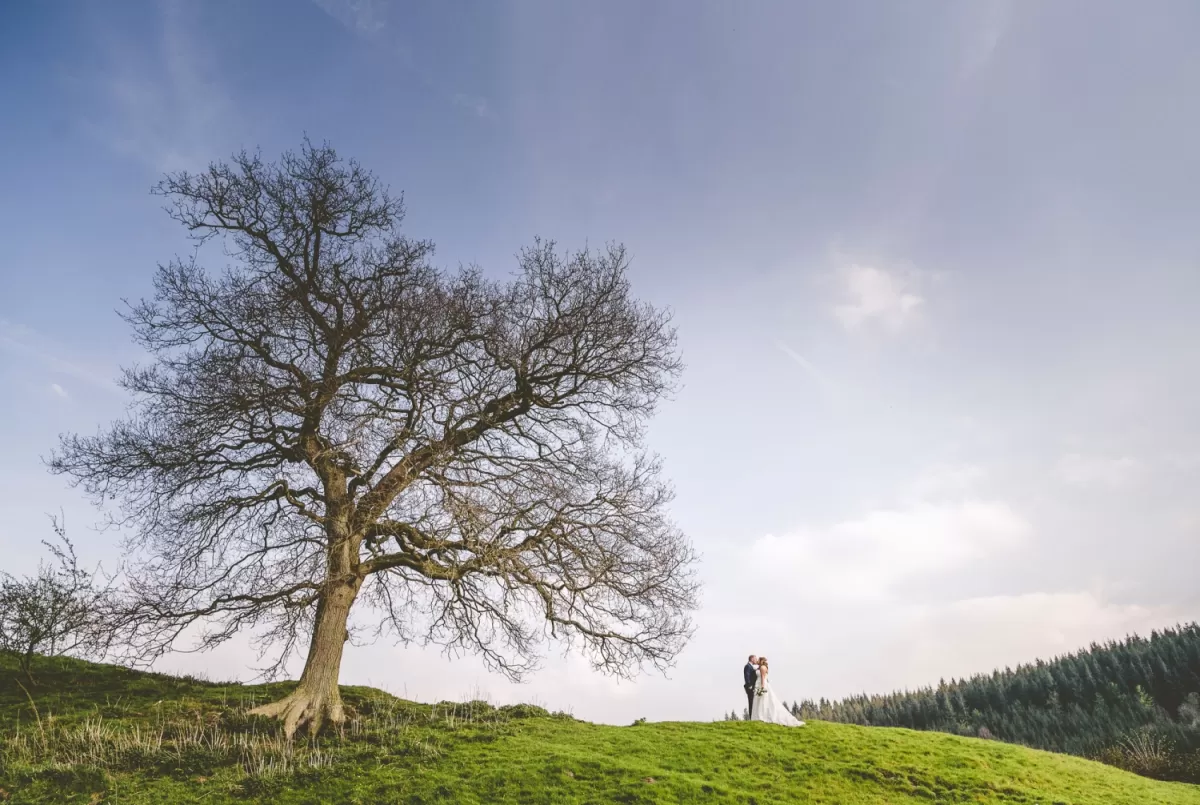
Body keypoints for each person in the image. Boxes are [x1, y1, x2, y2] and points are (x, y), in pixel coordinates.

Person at [749, 656, 805, 727]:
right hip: (758, 684)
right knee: (759, 701)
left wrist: (762, 688)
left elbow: (763, 678)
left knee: (764, 701)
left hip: (761, 685)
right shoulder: (759, 667)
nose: (757, 661)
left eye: (758, 660)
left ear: (761, 661)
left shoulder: (763, 668)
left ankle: (762, 716)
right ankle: (758, 716)